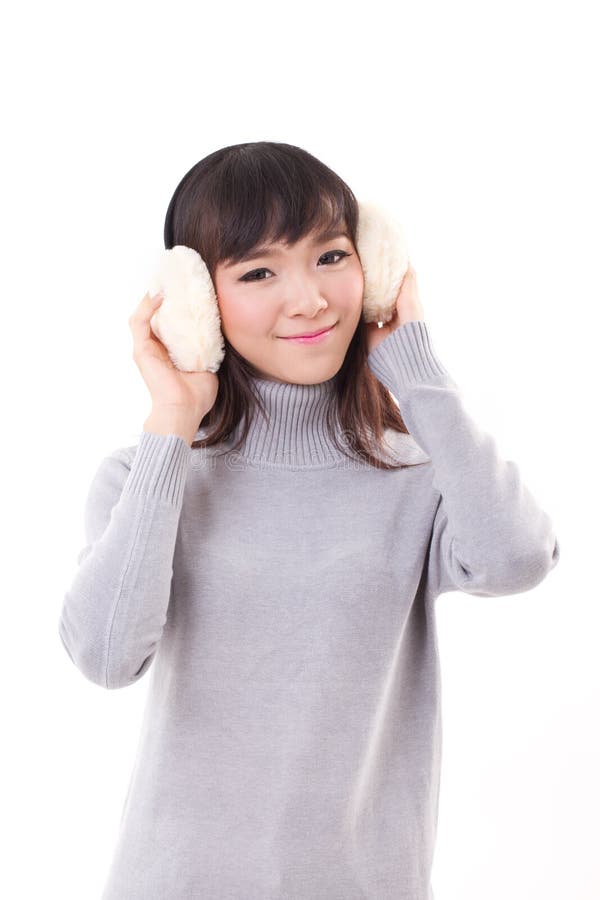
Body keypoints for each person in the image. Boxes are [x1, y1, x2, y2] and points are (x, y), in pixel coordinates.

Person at [57, 141, 560, 900]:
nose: (310, 299)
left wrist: (416, 371)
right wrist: (172, 423)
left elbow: (518, 559)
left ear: (377, 266)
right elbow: (103, 656)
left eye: (331, 257)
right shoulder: (145, 478)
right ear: (197, 301)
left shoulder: (417, 475)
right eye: (259, 272)